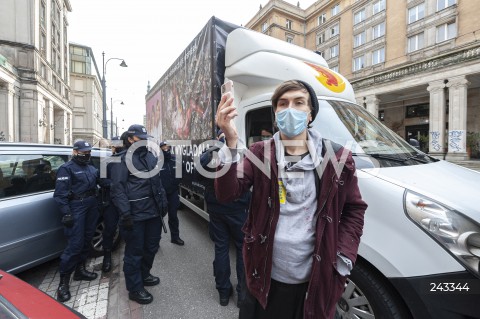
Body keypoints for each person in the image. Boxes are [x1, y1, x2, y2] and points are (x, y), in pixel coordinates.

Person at [215, 80, 367, 319]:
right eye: (283, 104)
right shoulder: (259, 153)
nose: (290, 109)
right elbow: (227, 193)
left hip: (315, 281)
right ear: (275, 115)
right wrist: (231, 141)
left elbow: (354, 210)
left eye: (299, 103)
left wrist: (343, 257)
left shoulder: (337, 157)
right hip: (264, 277)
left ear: (310, 114)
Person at [110, 124, 168, 305]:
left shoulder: (151, 157)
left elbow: (158, 184)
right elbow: (117, 190)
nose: (144, 141)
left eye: (145, 138)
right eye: (140, 138)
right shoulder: (121, 160)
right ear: (130, 139)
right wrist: (125, 214)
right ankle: (134, 288)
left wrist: (163, 204)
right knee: (134, 253)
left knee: (151, 247)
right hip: (134, 215)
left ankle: (144, 275)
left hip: (153, 214)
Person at [196, 129, 251, 307]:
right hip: (238, 209)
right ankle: (243, 295)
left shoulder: (209, 155)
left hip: (216, 209)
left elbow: (198, 174)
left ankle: (223, 292)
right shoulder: (241, 153)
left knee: (221, 248)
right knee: (242, 250)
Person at [53, 140, 100, 302]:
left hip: (91, 205)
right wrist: (66, 213)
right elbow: (60, 194)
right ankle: (63, 284)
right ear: (74, 152)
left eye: (88, 152)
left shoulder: (91, 167)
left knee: (87, 240)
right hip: (76, 207)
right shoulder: (66, 169)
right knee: (75, 245)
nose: (86, 155)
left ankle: (80, 271)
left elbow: (100, 183)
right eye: (83, 152)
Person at [100, 135, 125, 272]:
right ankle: (107, 257)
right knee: (109, 230)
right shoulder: (106, 161)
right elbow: (102, 181)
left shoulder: (128, 160)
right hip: (111, 202)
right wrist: (115, 185)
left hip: (126, 201)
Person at [159, 141, 184, 246]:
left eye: (167, 147)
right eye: (163, 147)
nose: (166, 148)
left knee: (173, 216)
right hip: (161, 194)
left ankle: (175, 237)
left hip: (173, 192)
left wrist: (174, 186)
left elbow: (180, 175)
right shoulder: (156, 161)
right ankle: (155, 241)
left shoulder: (175, 160)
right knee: (158, 217)